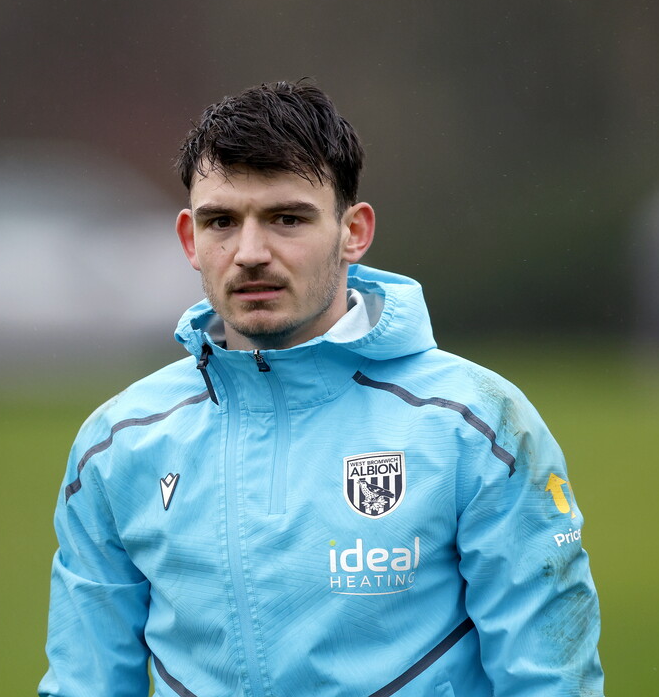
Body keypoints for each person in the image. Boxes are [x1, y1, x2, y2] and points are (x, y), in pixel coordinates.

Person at [39, 80, 604, 697]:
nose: (250, 252)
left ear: (353, 231)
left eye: (287, 218)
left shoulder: (476, 425)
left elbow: (551, 682)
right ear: (188, 240)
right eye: (222, 221)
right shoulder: (117, 447)